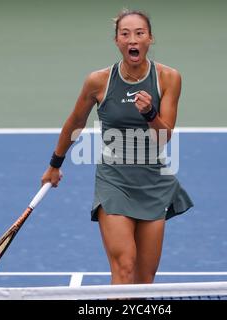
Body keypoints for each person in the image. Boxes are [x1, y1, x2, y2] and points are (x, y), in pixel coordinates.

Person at [41, 9, 193, 285]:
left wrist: (150, 114)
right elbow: (75, 121)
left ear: (150, 39)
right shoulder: (98, 81)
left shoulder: (169, 79)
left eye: (139, 33)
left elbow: (164, 138)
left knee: (144, 279)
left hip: (153, 181)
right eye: (125, 34)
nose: (132, 39)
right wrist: (55, 164)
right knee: (124, 267)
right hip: (114, 182)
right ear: (117, 41)